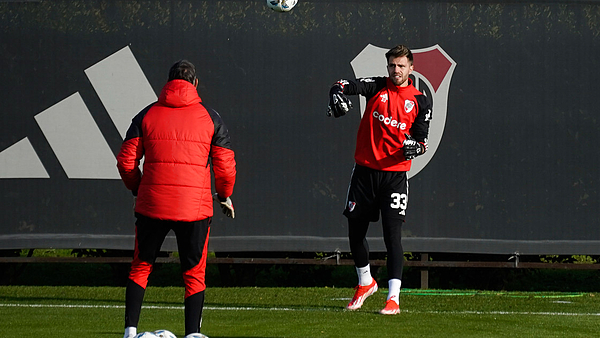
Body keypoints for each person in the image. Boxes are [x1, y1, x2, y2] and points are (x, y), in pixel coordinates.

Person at [117, 60, 236, 338]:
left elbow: (126, 162)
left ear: (168, 83)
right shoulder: (210, 117)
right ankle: (192, 333)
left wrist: (138, 188)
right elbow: (225, 165)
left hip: (152, 204)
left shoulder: (146, 114)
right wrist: (224, 195)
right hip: (194, 208)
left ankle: (130, 331)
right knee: (194, 274)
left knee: (141, 267)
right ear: (194, 84)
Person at [327, 45, 432, 315]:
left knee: (392, 236)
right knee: (355, 232)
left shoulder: (420, 100)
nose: (395, 70)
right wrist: (336, 93)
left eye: (400, 66)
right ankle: (365, 282)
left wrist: (417, 148)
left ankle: (393, 297)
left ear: (411, 68)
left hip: (395, 176)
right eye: (391, 66)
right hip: (364, 172)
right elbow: (343, 85)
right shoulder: (376, 86)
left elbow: (422, 140)